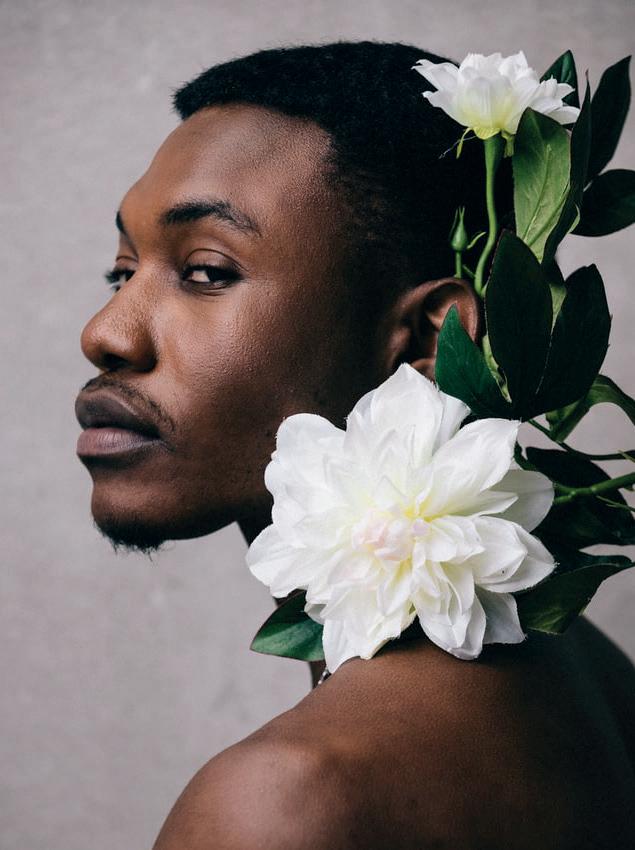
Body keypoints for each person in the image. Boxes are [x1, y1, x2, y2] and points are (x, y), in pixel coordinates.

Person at [75, 41, 635, 849]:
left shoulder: (281, 801)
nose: (106, 333)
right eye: (121, 271)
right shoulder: (590, 673)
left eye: (205, 270)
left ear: (430, 339)